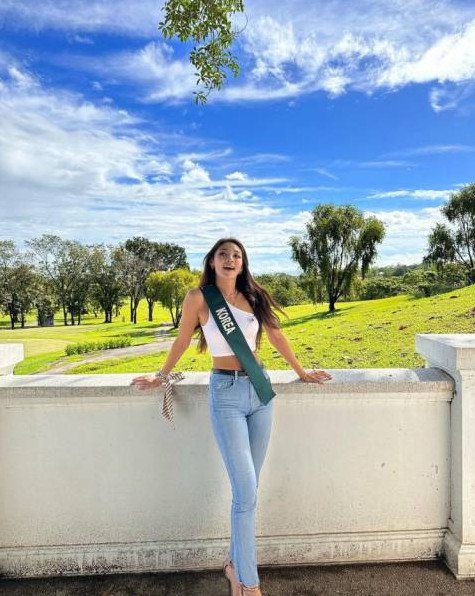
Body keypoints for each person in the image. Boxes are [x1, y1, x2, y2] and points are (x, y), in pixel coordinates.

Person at [131, 238, 332, 595]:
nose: (230, 259)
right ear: (212, 261)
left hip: (260, 391)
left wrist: (301, 372)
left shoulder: (254, 296)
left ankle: (233, 566)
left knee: (248, 492)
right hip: (226, 393)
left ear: (243, 263)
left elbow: (276, 335)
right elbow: (181, 341)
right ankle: (249, 585)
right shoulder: (199, 298)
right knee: (245, 491)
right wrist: (160, 376)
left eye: (236, 255)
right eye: (223, 254)